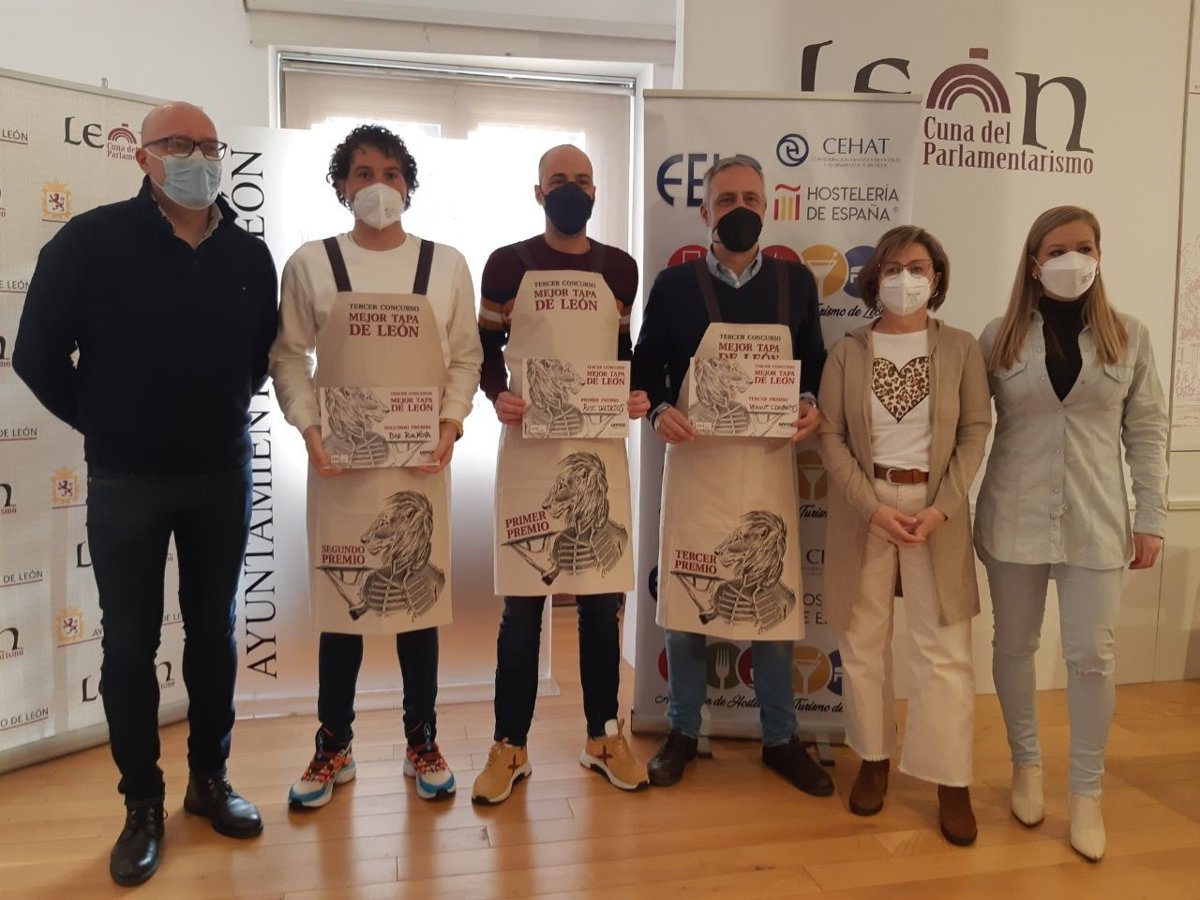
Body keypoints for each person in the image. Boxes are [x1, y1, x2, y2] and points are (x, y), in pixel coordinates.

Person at [13, 101, 278, 886]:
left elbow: (257, 359)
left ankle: (209, 780)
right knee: (128, 644)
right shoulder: (89, 241)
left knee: (214, 635)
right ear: (142, 156)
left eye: (209, 145)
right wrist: (105, 422)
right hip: (126, 478)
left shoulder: (249, 254)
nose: (198, 157)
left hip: (221, 473)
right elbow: (34, 354)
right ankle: (142, 803)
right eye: (178, 144)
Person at [270, 125, 482, 808]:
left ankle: (423, 739)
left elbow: (466, 358)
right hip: (341, 467)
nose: (378, 187)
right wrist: (309, 429)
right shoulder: (311, 263)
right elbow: (288, 356)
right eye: (363, 173)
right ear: (341, 185)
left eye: (391, 174)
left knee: (419, 602)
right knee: (343, 605)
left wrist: (451, 423)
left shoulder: (445, 265)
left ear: (409, 187)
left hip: (420, 467)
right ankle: (334, 744)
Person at [632, 154, 831, 795]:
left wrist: (809, 403)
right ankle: (682, 731)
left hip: (768, 464)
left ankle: (781, 738)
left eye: (750, 198)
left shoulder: (796, 283)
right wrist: (659, 409)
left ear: (767, 206)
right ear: (705, 212)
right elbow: (645, 367)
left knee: (770, 597)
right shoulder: (673, 285)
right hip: (696, 462)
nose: (739, 209)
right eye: (726, 199)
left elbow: (815, 361)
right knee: (688, 596)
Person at [976, 205, 1168, 861]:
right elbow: (966, 427)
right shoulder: (999, 337)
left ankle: (1086, 793)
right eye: (1056, 250)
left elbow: (1148, 431)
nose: (1071, 260)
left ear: (1100, 255)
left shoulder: (1129, 336)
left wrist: (1151, 517)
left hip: (1097, 521)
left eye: (1084, 247)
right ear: (1034, 263)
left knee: (1093, 656)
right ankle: (1025, 766)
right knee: (1015, 644)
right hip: (1013, 518)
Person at [471, 144, 649, 804]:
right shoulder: (507, 264)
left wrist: (632, 392)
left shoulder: (621, 268)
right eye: (558, 180)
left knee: (601, 606)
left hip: (598, 451)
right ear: (538, 192)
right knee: (523, 606)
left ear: (595, 191)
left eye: (582, 180)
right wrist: (498, 394)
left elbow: (622, 350)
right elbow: (484, 347)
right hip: (530, 449)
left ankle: (603, 737)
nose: (571, 189)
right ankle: (509, 746)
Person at [818, 225, 991, 846]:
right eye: (892, 268)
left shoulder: (962, 348)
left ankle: (950, 779)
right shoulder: (848, 352)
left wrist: (942, 508)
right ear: (874, 280)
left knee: (944, 650)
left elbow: (976, 429)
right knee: (863, 642)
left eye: (918, 267)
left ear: (936, 277)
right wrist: (871, 508)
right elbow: (830, 435)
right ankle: (873, 758)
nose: (905, 279)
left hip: (935, 511)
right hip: (865, 510)